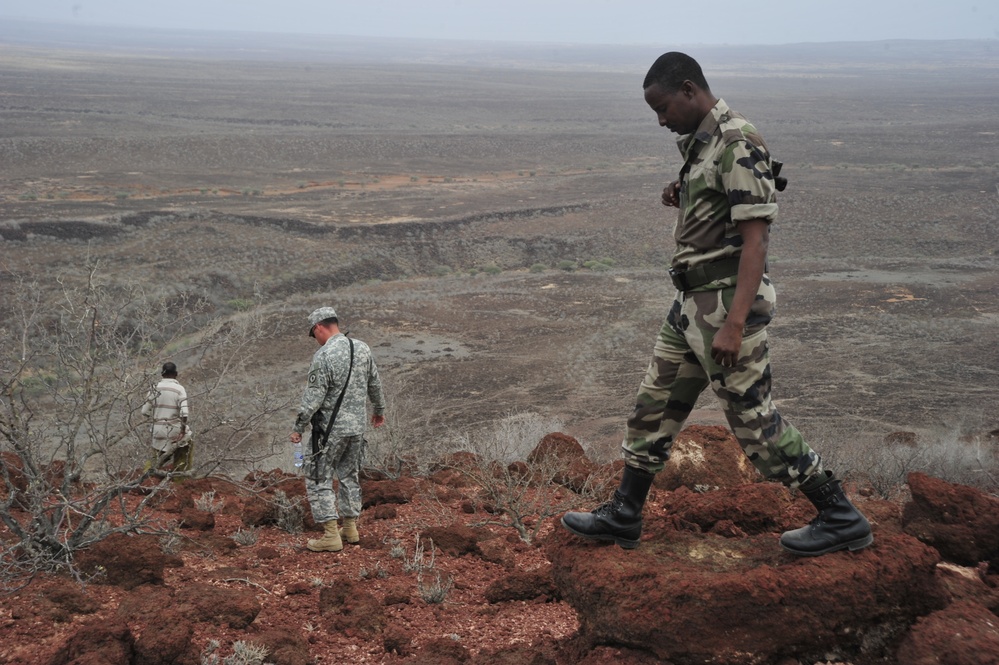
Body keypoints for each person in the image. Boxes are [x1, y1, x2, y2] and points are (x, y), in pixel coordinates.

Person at [561, 52, 872, 557]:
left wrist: (734, 323)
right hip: (690, 302)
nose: (661, 120)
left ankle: (840, 514)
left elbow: (756, 242)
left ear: (689, 89)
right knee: (652, 407)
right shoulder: (701, 142)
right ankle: (624, 514)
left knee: (755, 422)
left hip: (725, 304)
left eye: (663, 108)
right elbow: (716, 208)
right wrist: (681, 194)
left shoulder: (736, 141)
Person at [290, 306, 386, 553]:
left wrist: (299, 426)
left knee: (318, 477)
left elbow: (313, 398)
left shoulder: (324, 356)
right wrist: (379, 410)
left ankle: (331, 535)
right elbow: (374, 383)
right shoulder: (362, 348)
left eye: (314, 335)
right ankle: (351, 528)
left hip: (329, 432)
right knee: (349, 475)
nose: (316, 340)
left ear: (319, 327)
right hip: (357, 428)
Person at [141, 361, 193, 473]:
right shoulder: (179, 389)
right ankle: (180, 475)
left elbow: (144, 411)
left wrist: (156, 417)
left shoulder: (154, 388)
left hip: (157, 432)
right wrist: (182, 432)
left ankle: (146, 477)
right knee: (187, 441)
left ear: (162, 374)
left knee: (155, 458)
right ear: (176, 374)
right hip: (174, 432)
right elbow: (184, 413)